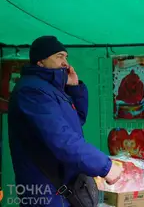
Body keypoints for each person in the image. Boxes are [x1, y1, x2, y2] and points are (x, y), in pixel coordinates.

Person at [8, 36, 122, 206]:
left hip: (61, 185)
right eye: (59, 56)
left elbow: (76, 121)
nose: (65, 63)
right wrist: (104, 166)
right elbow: (60, 137)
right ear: (41, 61)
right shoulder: (31, 91)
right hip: (44, 188)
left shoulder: (51, 89)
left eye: (66, 57)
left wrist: (75, 88)